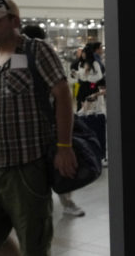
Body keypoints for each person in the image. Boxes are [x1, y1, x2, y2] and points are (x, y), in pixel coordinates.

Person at [0, 0, 77, 256]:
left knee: (34, 245)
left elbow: (62, 94)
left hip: (26, 167)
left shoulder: (36, 51)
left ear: (14, 21)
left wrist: (64, 146)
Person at [22, 24, 86, 217]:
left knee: (54, 165)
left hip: (40, 122)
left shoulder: (38, 57)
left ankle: (63, 202)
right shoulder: (28, 58)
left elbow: (62, 94)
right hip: (48, 121)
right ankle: (66, 203)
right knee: (57, 167)